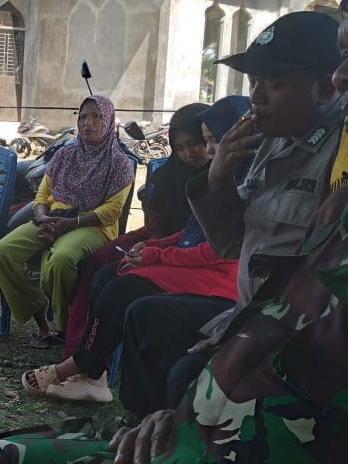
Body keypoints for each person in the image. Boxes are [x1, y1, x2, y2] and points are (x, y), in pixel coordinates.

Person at [0, 1, 348, 460]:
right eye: (253, 81)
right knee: (98, 279)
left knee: (122, 291)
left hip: (243, 354)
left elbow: (284, 319)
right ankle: (111, 392)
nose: (345, 76)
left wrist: (197, 404)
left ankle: (91, 375)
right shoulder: (301, 167)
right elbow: (251, 263)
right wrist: (217, 183)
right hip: (241, 341)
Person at [116, 10, 348, 422]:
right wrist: (217, 180)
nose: (255, 98)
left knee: (188, 373)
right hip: (245, 312)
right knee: (148, 318)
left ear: (326, 89)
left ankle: (177, 438)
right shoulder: (270, 145)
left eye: (272, 85)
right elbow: (232, 243)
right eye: (253, 83)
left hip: (295, 333)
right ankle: (139, 433)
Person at [21, 102, 240, 403]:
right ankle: (93, 375)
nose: (201, 151)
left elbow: (216, 251)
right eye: (186, 146)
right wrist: (152, 247)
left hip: (213, 274)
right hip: (180, 252)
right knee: (106, 273)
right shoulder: (66, 155)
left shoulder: (236, 183)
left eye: (208, 142)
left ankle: (82, 364)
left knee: (121, 287)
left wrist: (155, 254)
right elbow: (189, 230)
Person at [62, 102, 212, 356]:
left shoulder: (221, 176)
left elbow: (201, 236)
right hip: (162, 235)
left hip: (188, 249)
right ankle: (78, 344)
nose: (189, 154)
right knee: (97, 261)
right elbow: (159, 222)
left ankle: (92, 356)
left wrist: (155, 250)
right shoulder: (171, 173)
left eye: (195, 143)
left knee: (112, 277)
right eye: (180, 148)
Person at [0, 95, 134, 349]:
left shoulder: (119, 163)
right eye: (82, 117)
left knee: (61, 260)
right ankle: (40, 316)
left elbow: (112, 211)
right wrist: (43, 216)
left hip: (92, 226)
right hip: (52, 218)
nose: (88, 123)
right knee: (1, 253)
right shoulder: (64, 155)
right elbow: (43, 194)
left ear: (108, 120)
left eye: (96, 117)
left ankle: (67, 329)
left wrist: (71, 224)